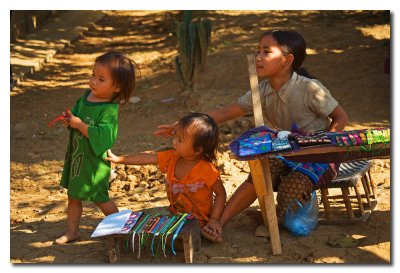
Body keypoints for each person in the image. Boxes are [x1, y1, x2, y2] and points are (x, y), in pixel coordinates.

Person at [154, 29, 348, 241]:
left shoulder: (310, 88)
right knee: (258, 174)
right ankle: (218, 222)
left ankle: (281, 216)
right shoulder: (260, 91)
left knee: (292, 187)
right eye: (257, 51)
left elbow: (341, 117)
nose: (258, 57)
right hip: (284, 151)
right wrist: (183, 123)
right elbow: (225, 113)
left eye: (266, 52)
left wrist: (327, 144)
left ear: (287, 60)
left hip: (317, 157)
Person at [54, 51, 137, 244]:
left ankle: (121, 230)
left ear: (117, 87)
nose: (93, 82)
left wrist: (79, 125)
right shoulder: (86, 97)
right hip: (77, 158)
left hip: (93, 164)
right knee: (73, 195)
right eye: (93, 75)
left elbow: (104, 136)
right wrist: (69, 119)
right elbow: (75, 113)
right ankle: (72, 231)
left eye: (101, 79)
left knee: (100, 198)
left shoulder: (109, 110)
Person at [106, 112, 227, 243]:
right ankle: (200, 234)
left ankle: (205, 231)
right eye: (175, 135)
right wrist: (119, 159)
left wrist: (214, 219)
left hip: (198, 219)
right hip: (174, 214)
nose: (173, 141)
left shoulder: (208, 170)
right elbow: (147, 158)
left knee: (177, 234)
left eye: (180, 140)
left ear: (197, 150)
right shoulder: (172, 158)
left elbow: (221, 194)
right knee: (144, 220)